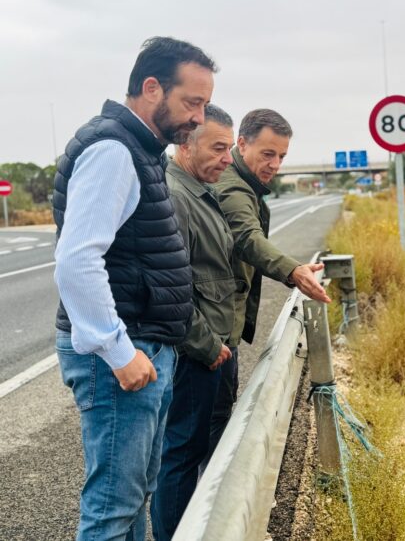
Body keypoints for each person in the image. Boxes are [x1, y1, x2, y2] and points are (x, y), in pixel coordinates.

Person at [52, 36, 216, 541]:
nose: (199, 117)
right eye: (193, 102)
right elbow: (77, 260)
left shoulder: (139, 150)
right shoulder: (113, 150)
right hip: (123, 354)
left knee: (130, 500)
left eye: (204, 105)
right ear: (151, 88)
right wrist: (119, 351)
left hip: (143, 345)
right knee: (112, 509)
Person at [211, 108, 330, 451]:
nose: (275, 164)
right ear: (242, 144)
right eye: (267, 154)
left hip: (220, 321)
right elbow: (248, 239)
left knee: (212, 424)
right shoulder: (233, 187)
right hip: (215, 326)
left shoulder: (244, 183)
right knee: (205, 431)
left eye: (281, 156)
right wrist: (293, 271)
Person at [150, 104, 237, 540]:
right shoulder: (177, 197)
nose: (228, 158)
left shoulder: (201, 190)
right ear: (185, 144)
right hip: (195, 353)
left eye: (230, 149)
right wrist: (207, 345)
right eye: (218, 148)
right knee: (182, 454)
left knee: (193, 448)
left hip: (211, 348)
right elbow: (173, 287)